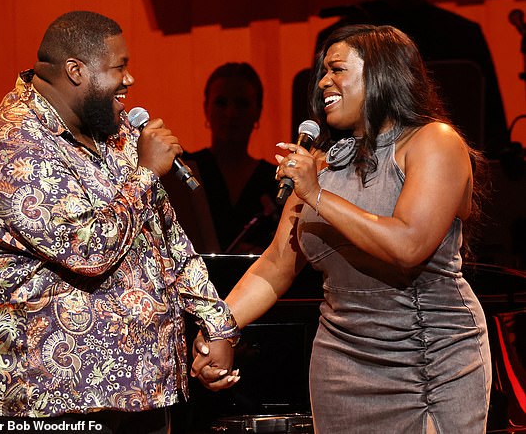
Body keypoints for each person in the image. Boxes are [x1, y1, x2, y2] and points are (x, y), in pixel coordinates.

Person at [0, 11, 240, 433]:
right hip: (49, 398)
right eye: (120, 66)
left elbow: (168, 237)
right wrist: (146, 175)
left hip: (141, 391)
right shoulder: (13, 142)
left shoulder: (115, 132)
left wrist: (217, 324)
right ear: (76, 70)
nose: (130, 79)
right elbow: (88, 249)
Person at [193, 24, 492, 433]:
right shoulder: (320, 166)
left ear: (382, 73)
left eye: (336, 69)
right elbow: (277, 264)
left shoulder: (434, 143)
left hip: (429, 363)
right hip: (341, 367)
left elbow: (409, 244)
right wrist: (220, 326)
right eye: (321, 72)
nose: (322, 83)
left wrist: (318, 196)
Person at [293, 0, 510, 158]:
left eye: (338, 70)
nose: (325, 82)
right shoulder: (339, 36)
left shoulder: (461, 35)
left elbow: (492, 120)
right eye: (327, 72)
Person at [166, 63, 279, 254]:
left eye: (242, 103)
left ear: (258, 111)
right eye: (221, 103)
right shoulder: (182, 167)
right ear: (206, 108)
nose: (231, 113)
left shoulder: (276, 179)